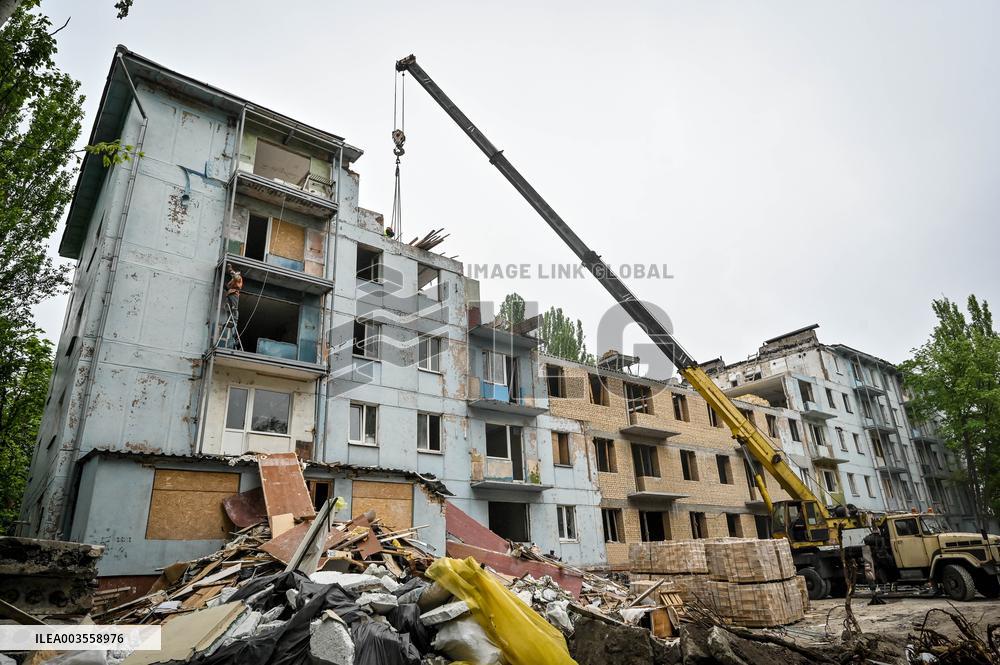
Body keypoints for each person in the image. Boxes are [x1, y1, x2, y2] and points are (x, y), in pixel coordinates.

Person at [224, 264, 243, 347]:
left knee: (234, 309)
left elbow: (235, 277)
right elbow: (228, 286)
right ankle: (230, 321)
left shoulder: (238, 278)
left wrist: (230, 269)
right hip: (230, 294)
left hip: (234, 293)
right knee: (229, 310)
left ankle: (234, 331)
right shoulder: (233, 280)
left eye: (237, 272)